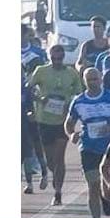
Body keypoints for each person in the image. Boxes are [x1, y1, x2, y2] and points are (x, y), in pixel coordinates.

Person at [65, 66, 110, 218]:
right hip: (89, 148)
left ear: (101, 79)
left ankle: (107, 199)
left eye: (95, 79)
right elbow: (69, 123)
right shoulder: (79, 101)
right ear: (84, 81)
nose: (92, 82)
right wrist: (72, 134)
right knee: (93, 185)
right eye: (89, 80)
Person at [26, 44, 83, 205]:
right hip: (44, 120)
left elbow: (78, 93)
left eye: (60, 58)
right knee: (50, 160)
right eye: (54, 58)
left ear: (63, 57)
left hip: (62, 121)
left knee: (59, 158)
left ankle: (58, 192)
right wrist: (39, 99)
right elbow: (29, 89)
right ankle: (55, 176)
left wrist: (69, 103)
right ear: (50, 56)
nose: (57, 61)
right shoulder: (41, 71)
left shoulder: (71, 73)